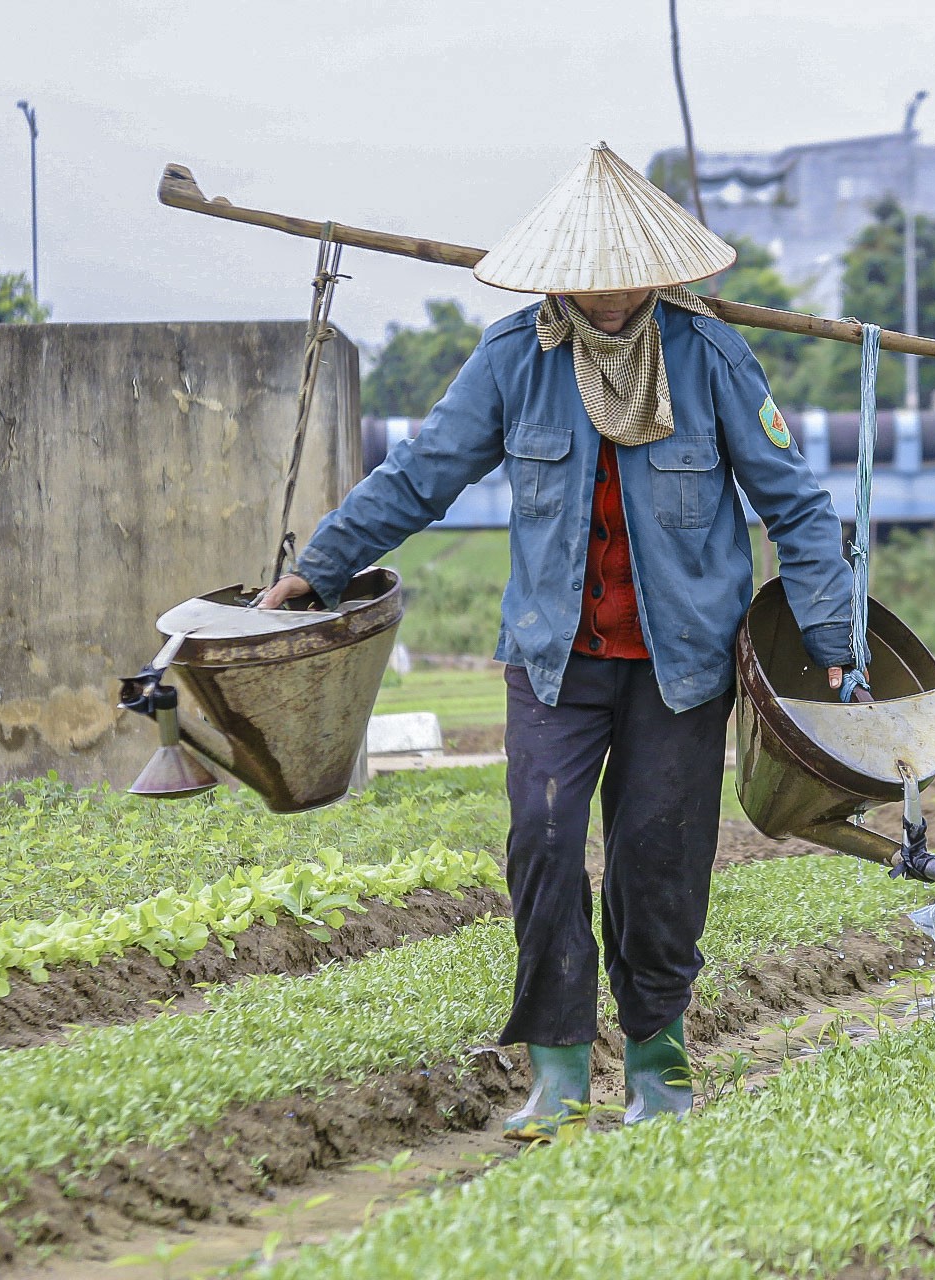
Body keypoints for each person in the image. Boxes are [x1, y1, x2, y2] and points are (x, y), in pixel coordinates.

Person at [256, 144, 856, 1141]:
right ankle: (559, 1067)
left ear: (658, 272)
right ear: (560, 273)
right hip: (553, 658)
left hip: (682, 665)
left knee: (657, 858)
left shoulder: (712, 359)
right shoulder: (513, 359)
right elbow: (419, 475)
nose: (610, 297)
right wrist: (319, 567)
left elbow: (795, 503)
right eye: (591, 277)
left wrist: (829, 634)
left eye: (629, 277)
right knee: (539, 841)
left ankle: (659, 1058)